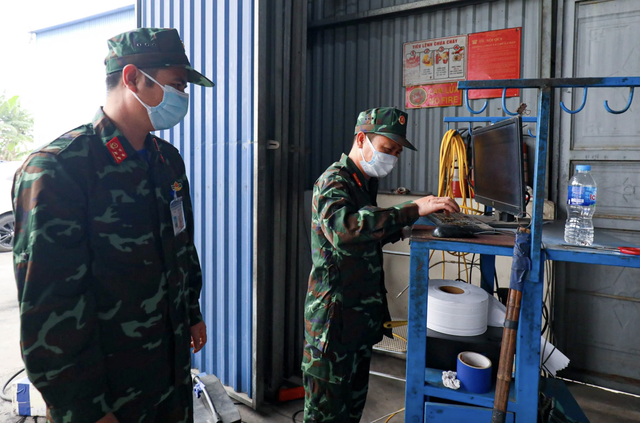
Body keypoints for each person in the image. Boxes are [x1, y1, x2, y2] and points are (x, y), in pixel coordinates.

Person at [12, 28, 214, 423]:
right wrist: (85, 407)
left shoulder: (166, 160)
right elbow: (48, 310)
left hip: (169, 378)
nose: (183, 99)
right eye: (176, 85)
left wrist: (191, 310)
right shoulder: (58, 170)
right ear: (132, 77)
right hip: (107, 395)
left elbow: (180, 246)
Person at [301, 107, 460, 422]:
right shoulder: (334, 181)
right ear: (362, 139)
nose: (393, 157)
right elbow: (345, 231)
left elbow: (366, 236)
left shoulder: (363, 183)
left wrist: (407, 226)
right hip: (333, 325)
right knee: (326, 414)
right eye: (388, 149)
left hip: (357, 320)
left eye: (397, 153)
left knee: (351, 409)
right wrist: (411, 209)